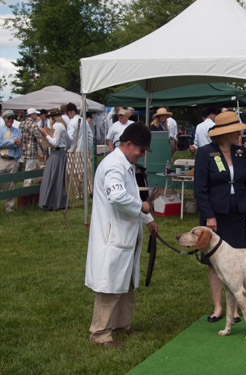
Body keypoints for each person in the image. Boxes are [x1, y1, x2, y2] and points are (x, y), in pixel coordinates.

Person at [85, 122, 158, 349]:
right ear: (128, 144)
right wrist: (143, 208)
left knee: (127, 283)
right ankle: (100, 333)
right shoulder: (114, 166)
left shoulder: (124, 164)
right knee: (110, 285)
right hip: (113, 236)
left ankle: (121, 325)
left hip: (125, 233)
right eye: (141, 150)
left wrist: (148, 220)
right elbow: (118, 197)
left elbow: (129, 196)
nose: (141, 155)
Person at [194, 111, 246, 323]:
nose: (239, 133)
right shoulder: (205, 153)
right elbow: (200, 189)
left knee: (237, 262)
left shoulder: (241, 152)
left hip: (239, 214)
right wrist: (209, 216)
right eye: (236, 130)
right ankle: (218, 307)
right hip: (216, 216)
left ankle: (236, 309)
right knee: (215, 263)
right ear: (225, 133)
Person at [38, 109, 69, 210]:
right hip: (58, 153)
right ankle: (54, 201)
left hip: (58, 154)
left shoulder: (58, 126)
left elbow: (55, 142)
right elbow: (68, 141)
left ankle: (51, 201)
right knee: (55, 178)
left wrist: (46, 134)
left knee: (53, 178)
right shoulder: (61, 125)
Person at [0, 110, 22, 212]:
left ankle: (9, 207)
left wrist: (7, 142)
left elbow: (18, 143)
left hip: (13, 160)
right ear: (4, 118)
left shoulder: (17, 131)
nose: (11, 120)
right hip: (2, 159)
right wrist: (13, 141)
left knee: (11, 185)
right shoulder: (0, 130)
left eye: (13, 118)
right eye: (9, 118)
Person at [19, 108, 45, 186]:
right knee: (30, 170)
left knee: (28, 168)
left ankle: (28, 186)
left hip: (24, 150)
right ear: (32, 115)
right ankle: (26, 188)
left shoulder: (22, 124)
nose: (37, 116)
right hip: (32, 150)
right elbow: (39, 139)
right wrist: (45, 150)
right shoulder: (33, 125)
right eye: (36, 114)